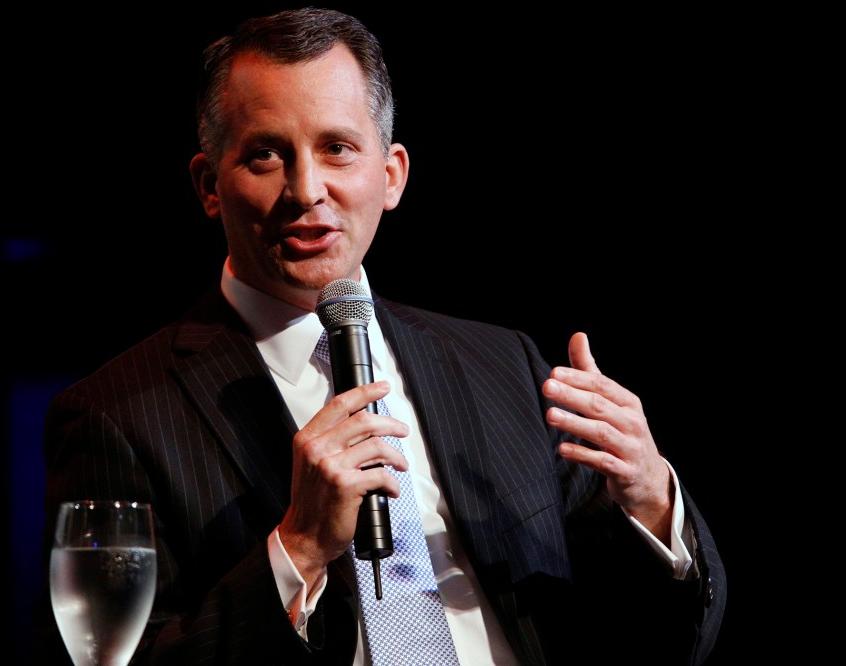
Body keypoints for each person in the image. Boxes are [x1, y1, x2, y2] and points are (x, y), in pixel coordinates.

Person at [35, 7, 725, 665]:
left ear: (391, 175)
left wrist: (652, 500)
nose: (307, 190)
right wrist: (299, 547)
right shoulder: (115, 416)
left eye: (337, 149)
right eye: (266, 155)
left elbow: (648, 641)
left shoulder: (504, 366)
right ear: (208, 184)